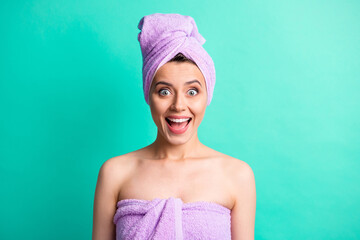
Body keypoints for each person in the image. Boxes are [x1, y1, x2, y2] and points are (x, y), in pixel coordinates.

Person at [92, 13, 256, 240]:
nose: (179, 106)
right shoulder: (114, 173)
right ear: (148, 95)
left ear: (207, 95)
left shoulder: (237, 175)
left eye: (192, 91)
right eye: (164, 91)